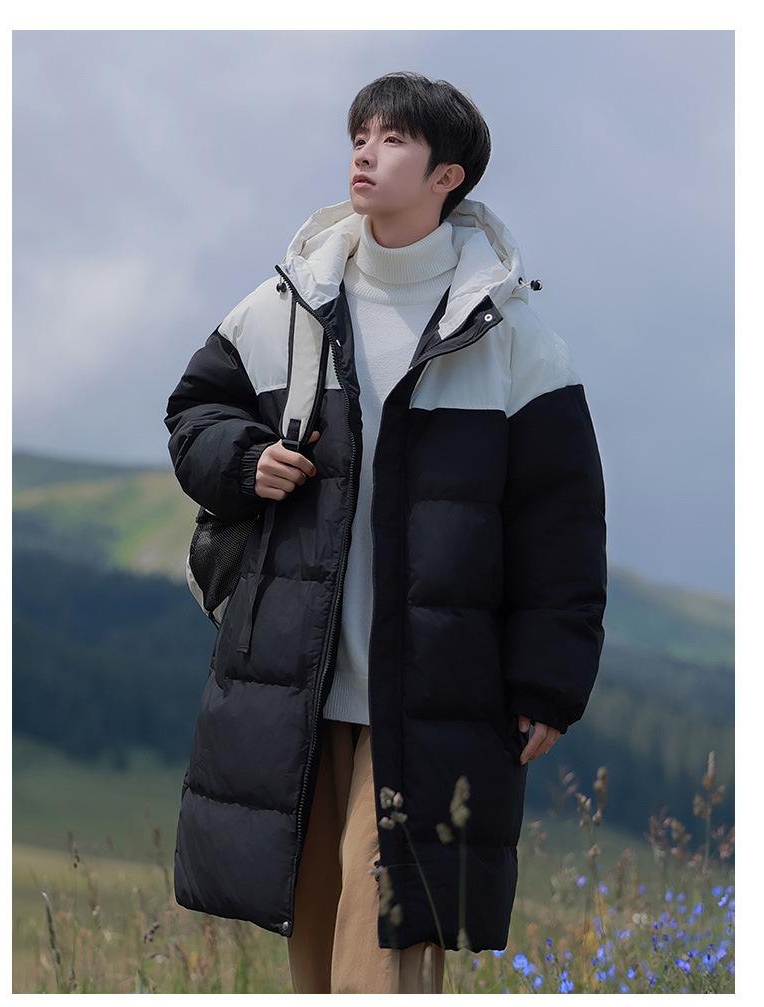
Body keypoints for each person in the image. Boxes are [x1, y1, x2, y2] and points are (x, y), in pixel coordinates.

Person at [164, 71, 607, 995]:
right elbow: (196, 411)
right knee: (314, 956)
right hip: (296, 682)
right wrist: (246, 460)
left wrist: (547, 682)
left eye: (393, 138)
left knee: (386, 950)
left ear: (448, 176)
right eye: (360, 134)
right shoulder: (288, 302)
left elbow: (562, 525)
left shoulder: (511, 337)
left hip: (436, 695)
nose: (365, 153)